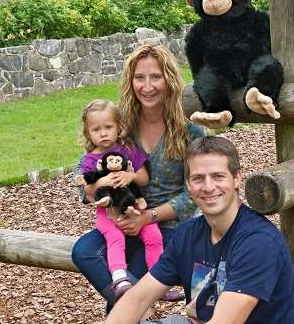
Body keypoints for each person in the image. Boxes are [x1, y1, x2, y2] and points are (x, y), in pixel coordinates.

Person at [105, 135, 294, 324]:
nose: (208, 187)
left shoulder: (259, 242)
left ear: (237, 178)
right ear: (188, 184)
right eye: (198, 178)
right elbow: (137, 299)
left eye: (218, 176)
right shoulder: (187, 235)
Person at [72, 45, 206, 314]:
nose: (147, 86)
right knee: (83, 251)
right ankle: (135, 309)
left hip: (170, 227)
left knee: (128, 280)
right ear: (130, 82)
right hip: (122, 219)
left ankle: (126, 311)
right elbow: (85, 179)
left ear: (169, 79)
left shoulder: (190, 131)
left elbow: (195, 194)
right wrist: (98, 186)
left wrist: (148, 217)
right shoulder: (122, 128)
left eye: (155, 77)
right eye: (139, 78)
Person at [77, 99, 164, 298]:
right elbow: (88, 193)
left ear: (119, 127)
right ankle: (119, 278)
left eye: (108, 127)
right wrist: (103, 182)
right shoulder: (90, 159)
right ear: (88, 133)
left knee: (154, 235)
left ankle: (160, 280)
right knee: (115, 239)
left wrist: (130, 176)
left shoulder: (129, 150)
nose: (103, 133)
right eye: (96, 129)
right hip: (108, 214)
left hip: (135, 207)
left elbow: (143, 178)